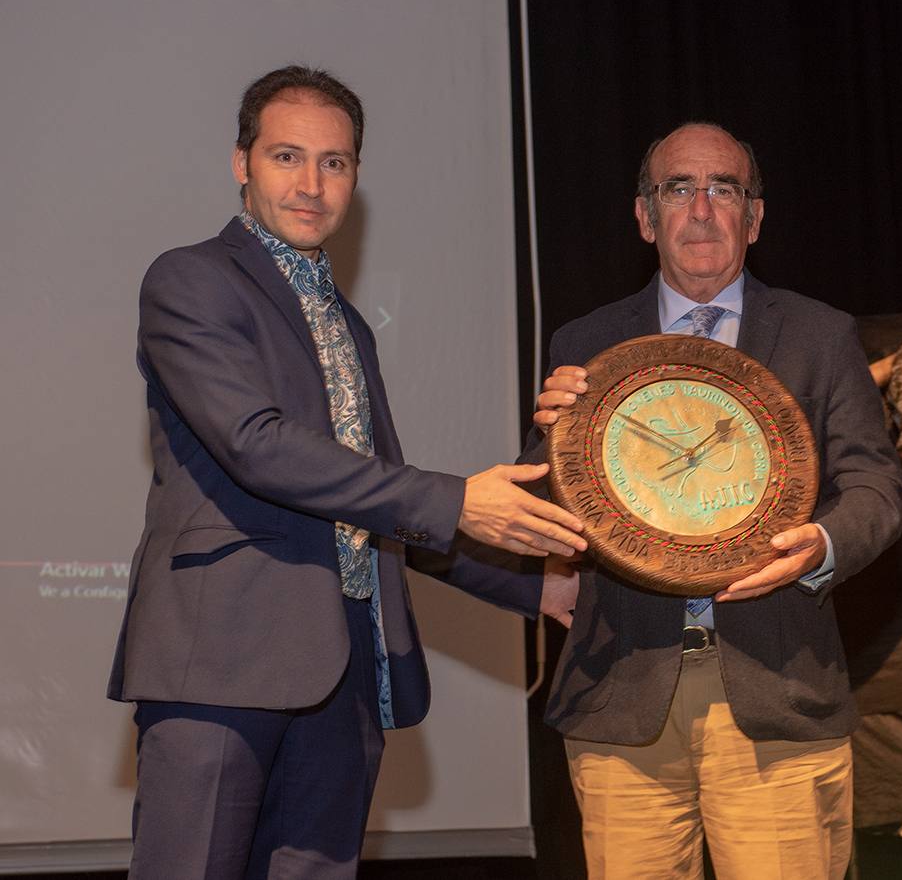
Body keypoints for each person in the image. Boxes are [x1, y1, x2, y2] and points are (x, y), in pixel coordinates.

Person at [107, 64, 585, 879]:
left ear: (355, 177)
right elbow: (256, 444)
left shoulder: (346, 323)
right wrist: (455, 497)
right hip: (221, 661)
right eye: (286, 157)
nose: (310, 184)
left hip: (348, 667)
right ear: (240, 163)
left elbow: (382, 502)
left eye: (334, 163)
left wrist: (534, 590)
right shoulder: (189, 279)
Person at [526, 123, 902, 879]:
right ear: (645, 216)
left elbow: (877, 488)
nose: (700, 208)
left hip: (778, 690)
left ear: (753, 216)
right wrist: (546, 444)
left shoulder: (817, 334)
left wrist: (821, 545)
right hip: (623, 699)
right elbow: (551, 507)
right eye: (678, 188)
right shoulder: (586, 340)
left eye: (723, 188)